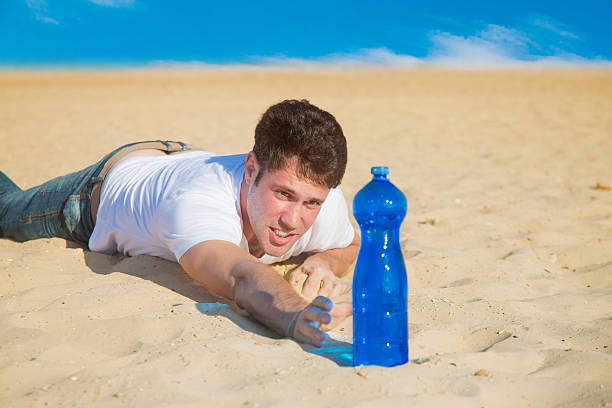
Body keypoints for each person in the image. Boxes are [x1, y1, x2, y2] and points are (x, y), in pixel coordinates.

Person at [0, 99, 359, 347]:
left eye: (311, 202)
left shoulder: (322, 198)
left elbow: (351, 241)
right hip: (97, 193)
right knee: (6, 209)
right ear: (251, 170)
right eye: (282, 194)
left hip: (181, 162)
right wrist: (296, 316)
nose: (294, 220)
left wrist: (324, 260)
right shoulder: (196, 204)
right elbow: (240, 276)